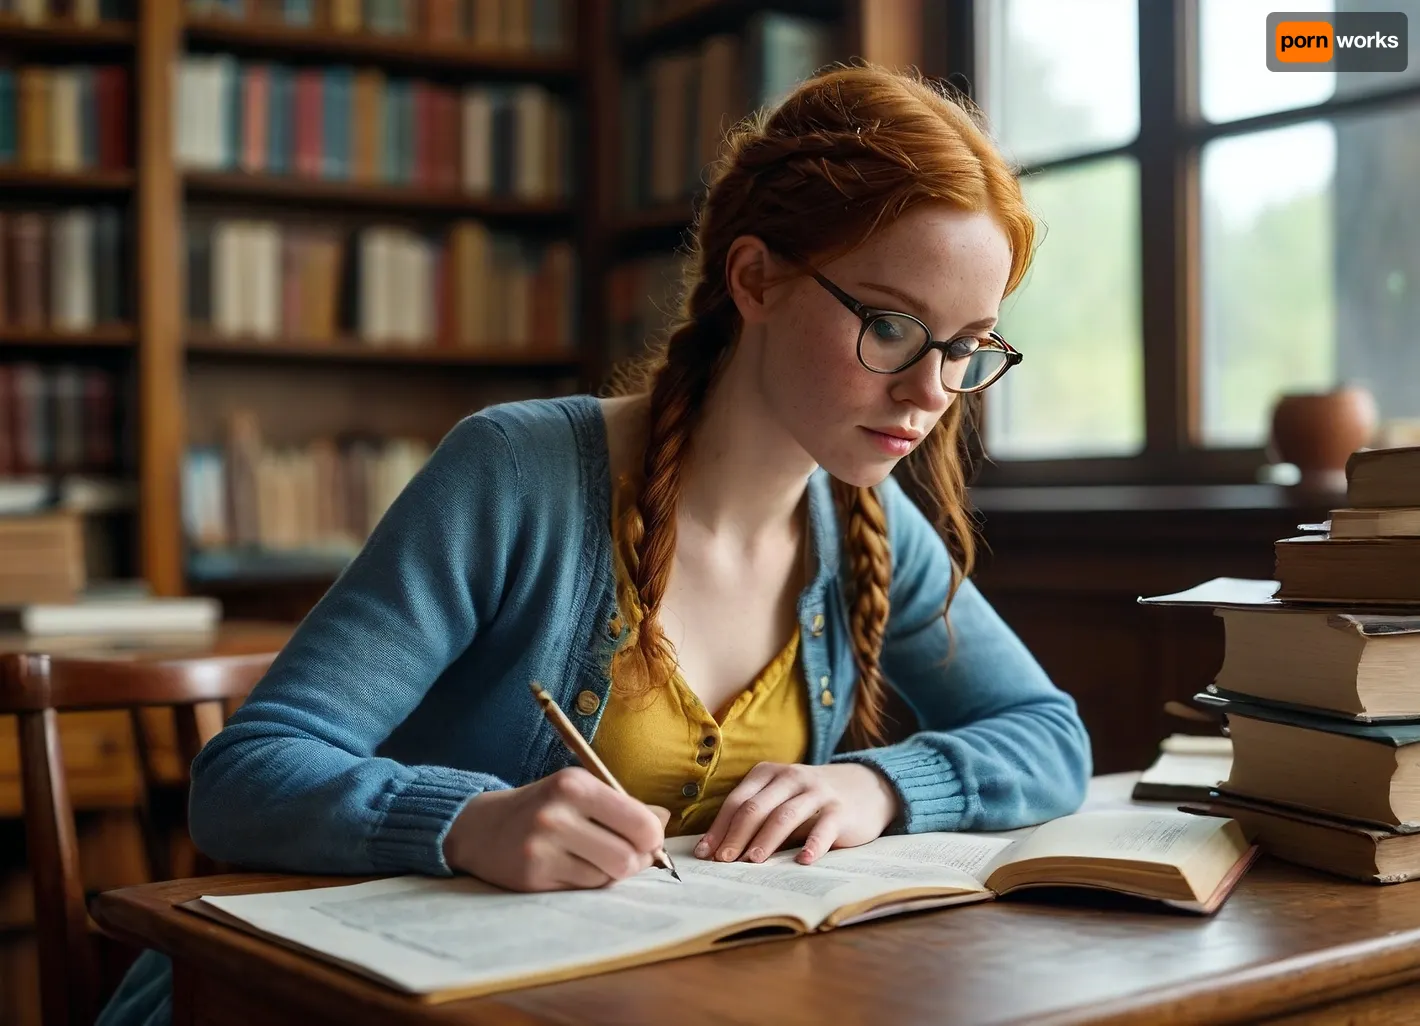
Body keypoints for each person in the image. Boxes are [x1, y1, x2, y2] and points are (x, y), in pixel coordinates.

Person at [97, 62, 1090, 1024]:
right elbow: (245, 778)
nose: (929, 392)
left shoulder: (863, 521)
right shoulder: (515, 472)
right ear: (754, 278)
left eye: (965, 348)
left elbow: (1050, 739)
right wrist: (468, 822)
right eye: (890, 325)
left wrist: (878, 784)